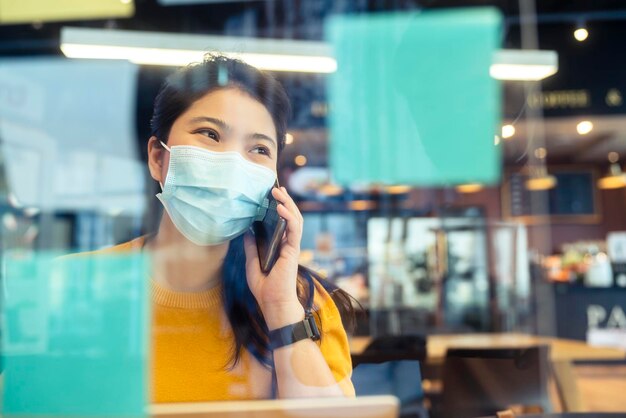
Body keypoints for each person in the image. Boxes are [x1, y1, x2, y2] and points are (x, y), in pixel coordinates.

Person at [103, 55, 356, 402]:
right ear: (158, 158)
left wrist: (281, 310)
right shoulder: (79, 285)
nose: (234, 163)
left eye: (259, 149)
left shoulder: (303, 302)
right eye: (210, 133)